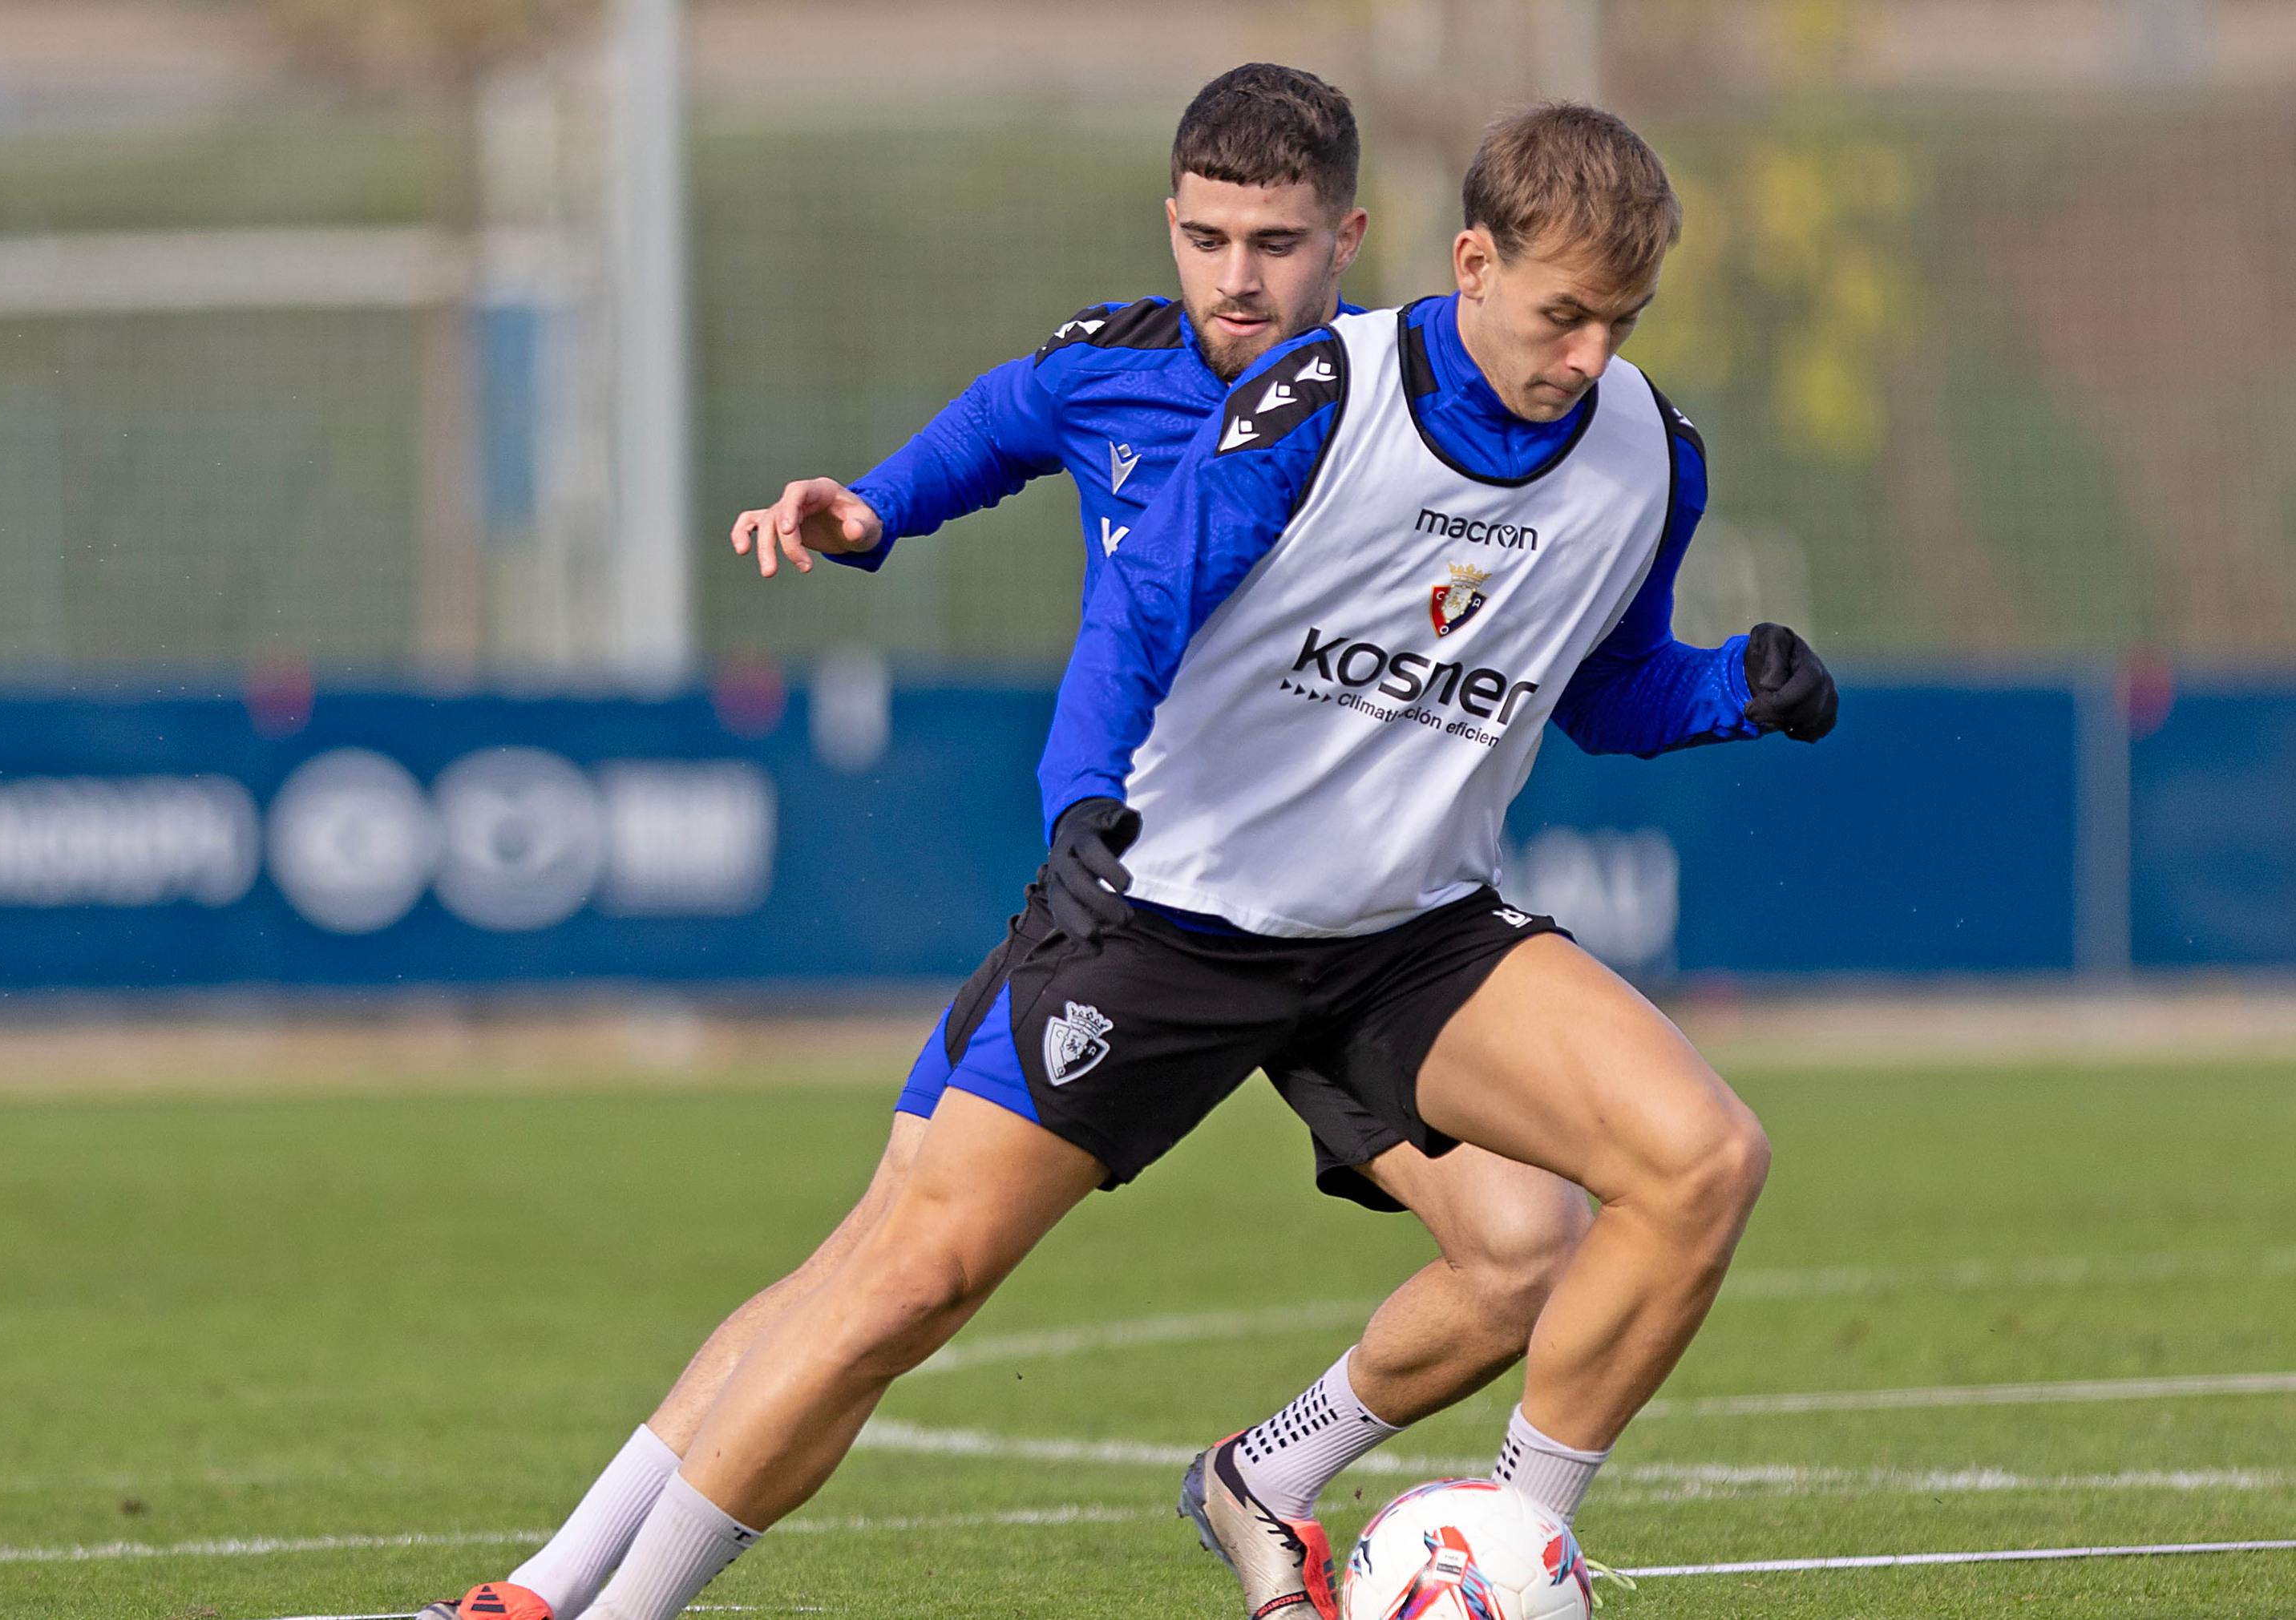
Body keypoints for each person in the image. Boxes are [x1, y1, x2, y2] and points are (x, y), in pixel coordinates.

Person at [548, 100, 1837, 1620]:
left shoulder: (1648, 454)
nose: (1590, 359)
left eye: (1620, 322)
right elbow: (1138, 604)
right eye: (1563, 316)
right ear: (1470, 262)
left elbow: (1606, 690)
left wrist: (1725, 697)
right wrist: (1080, 796)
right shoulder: (1319, 398)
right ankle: (592, 1605)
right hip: (1168, 916)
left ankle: (1507, 1542)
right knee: (905, 1280)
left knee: (1695, 1163)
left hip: (1405, 937)